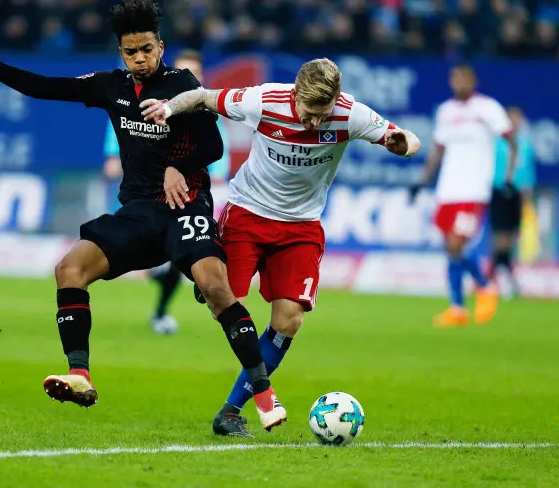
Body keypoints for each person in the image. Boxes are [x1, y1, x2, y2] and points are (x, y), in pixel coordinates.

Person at [0, 0, 287, 432]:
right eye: (130, 51)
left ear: (160, 46)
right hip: (139, 212)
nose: (139, 58)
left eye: (146, 49)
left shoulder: (184, 84)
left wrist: (179, 167)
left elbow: (213, 147)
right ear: (120, 53)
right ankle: (80, 375)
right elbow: (45, 86)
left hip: (185, 208)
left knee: (216, 287)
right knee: (69, 269)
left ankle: (263, 393)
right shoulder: (111, 86)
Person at [141, 57, 421, 436]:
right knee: (221, 302)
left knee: (288, 320)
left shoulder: (351, 114)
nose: (315, 123)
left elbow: (405, 138)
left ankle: (231, 412)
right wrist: (169, 107)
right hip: (247, 215)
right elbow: (204, 97)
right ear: (296, 95)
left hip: (301, 227)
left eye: (324, 114)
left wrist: (402, 145)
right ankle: (202, 271)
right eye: (309, 113)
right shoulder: (264, 100)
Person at [102, 49, 230, 335]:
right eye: (183, 71)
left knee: (186, 257)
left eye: (193, 73)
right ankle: (170, 283)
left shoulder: (207, 113)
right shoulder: (143, 105)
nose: (187, 78)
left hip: (188, 195)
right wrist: (114, 158)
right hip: (148, 196)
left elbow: (217, 154)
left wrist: (215, 178)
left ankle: (168, 301)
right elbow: (119, 142)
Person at [410, 63, 517, 328]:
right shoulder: (446, 111)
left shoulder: (487, 108)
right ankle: (457, 309)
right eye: (455, 79)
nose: (460, 83)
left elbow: (511, 141)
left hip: (473, 189)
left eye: (464, 79)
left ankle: (485, 286)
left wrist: (507, 176)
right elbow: (439, 149)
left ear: (473, 81)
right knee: (450, 248)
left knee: (457, 244)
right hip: (448, 189)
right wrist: (423, 180)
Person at [489, 106, 536, 297]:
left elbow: (527, 172)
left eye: (518, 118)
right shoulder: (497, 143)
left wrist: (527, 193)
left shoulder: (524, 144)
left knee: (511, 234)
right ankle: (498, 274)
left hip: (516, 192)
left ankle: (503, 271)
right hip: (500, 190)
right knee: (499, 233)